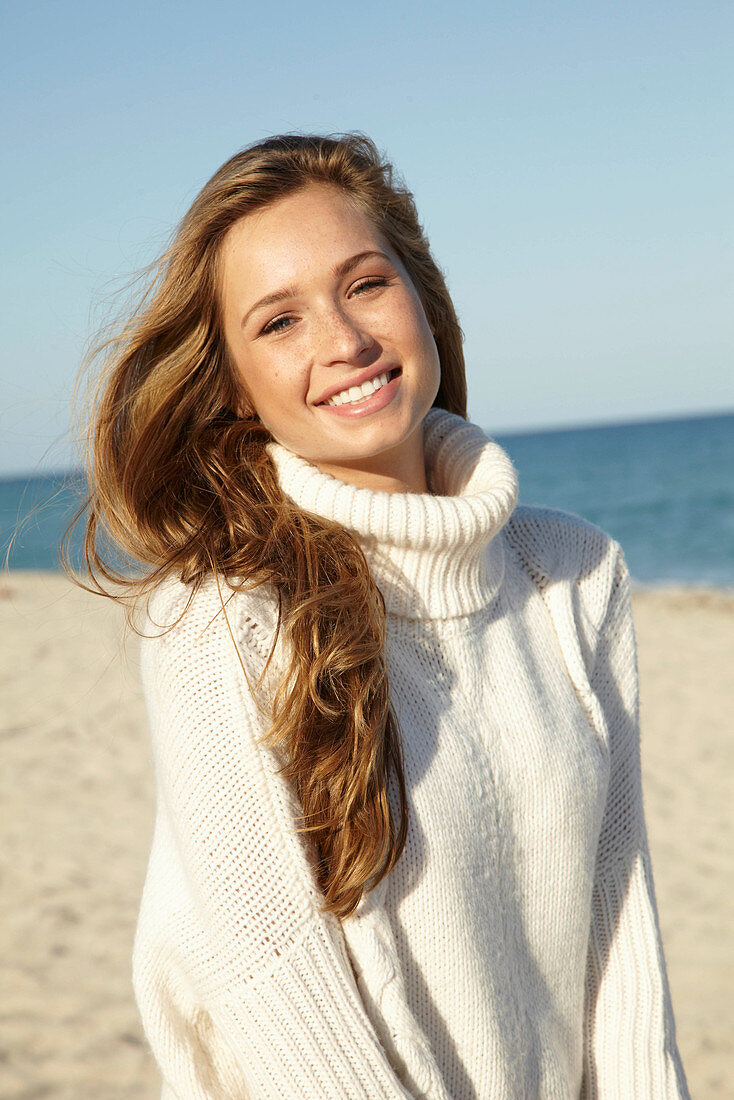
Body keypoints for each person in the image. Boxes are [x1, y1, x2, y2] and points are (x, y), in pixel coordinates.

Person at [74, 132, 690, 1098]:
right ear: (232, 384)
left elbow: (619, 935)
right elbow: (277, 992)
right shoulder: (219, 619)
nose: (343, 342)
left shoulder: (573, 573)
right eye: (278, 322)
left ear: (423, 301)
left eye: (364, 285)